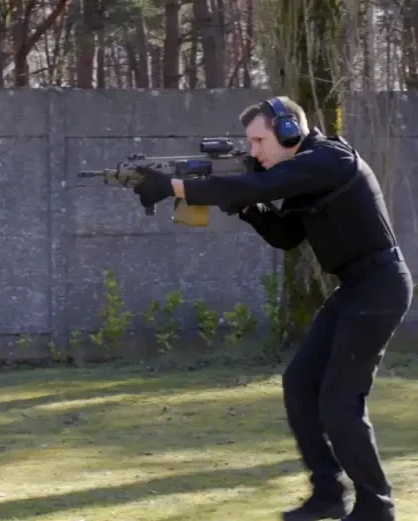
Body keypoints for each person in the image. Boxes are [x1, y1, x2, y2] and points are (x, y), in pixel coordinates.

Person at [130, 96, 411, 521]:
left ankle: (377, 506)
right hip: (355, 288)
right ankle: (328, 494)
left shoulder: (328, 159)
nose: (255, 151)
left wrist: (175, 187)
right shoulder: (302, 174)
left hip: (380, 286)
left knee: (340, 402)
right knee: (299, 384)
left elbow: (256, 185)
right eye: (251, 143)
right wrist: (247, 208)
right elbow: (286, 236)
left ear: (288, 130)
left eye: (260, 140)